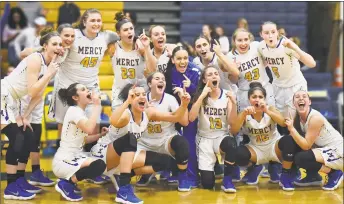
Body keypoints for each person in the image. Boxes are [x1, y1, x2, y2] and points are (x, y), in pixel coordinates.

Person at [90, 83, 190, 203]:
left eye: (143, 94)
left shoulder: (148, 113)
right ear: (130, 99)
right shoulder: (126, 114)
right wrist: (127, 101)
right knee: (130, 139)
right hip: (104, 155)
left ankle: (122, 176)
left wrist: (184, 104)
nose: (142, 97)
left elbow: (175, 117)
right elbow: (114, 120)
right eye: (137, 95)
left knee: (165, 161)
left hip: (125, 155)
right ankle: (124, 190)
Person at [47, 8, 119, 152]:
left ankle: (92, 161)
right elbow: (52, 42)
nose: (96, 23)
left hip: (90, 86)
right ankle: (64, 158)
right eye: (92, 20)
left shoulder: (106, 36)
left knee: (94, 123)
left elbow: (124, 35)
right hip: (67, 86)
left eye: (99, 20)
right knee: (65, 124)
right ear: (84, 21)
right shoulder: (73, 35)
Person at [1, 31, 62, 200]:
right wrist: (49, 73)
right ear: (45, 46)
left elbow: (38, 95)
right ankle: (10, 186)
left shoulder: (52, 65)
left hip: (15, 101)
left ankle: (20, 179)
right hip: (4, 95)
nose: (58, 47)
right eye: (54, 44)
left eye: (60, 44)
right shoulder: (36, 59)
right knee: (17, 138)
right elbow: (31, 90)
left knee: (28, 136)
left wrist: (25, 116)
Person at [258, 21, 319, 185]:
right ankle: (281, 166)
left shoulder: (286, 45)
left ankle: (312, 171)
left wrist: (296, 47)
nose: (270, 35)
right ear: (261, 35)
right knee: (280, 127)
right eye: (266, 33)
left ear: (277, 32)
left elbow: (312, 63)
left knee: (296, 129)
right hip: (278, 88)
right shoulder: (261, 48)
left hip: (296, 88)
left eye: (272, 32)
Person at [18, 24, 76, 188]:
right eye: (65, 36)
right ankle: (16, 179)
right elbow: (23, 53)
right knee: (23, 136)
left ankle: (35, 171)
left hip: (38, 92)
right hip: (26, 91)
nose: (68, 40)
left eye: (71, 37)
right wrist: (36, 54)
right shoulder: (44, 48)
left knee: (35, 132)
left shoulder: (64, 50)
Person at [227, 28, 280, 181]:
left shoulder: (258, 46)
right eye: (239, 40)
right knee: (247, 132)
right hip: (245, 94)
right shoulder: (230, 56)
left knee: (271, 126)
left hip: (264, 91)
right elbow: (231, 79)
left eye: (245, 39)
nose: (243, 43)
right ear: (234, 42)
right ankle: (254, 166)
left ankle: (274, 165)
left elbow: (272, 50)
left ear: (250, 39)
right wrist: (232, 70)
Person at [230, 82, 298, 190]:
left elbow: (283, 123)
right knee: (237, 153)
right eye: (254, 97)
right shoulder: (244, 113)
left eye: (260, 97)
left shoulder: (270, 109)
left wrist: (267, 111)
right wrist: (243, 115)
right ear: (249, 99)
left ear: (265, 99)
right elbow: (233, 131)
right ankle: (255, 168)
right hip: (256, 149)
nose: (257, 99)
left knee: (289, 141)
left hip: (273, 146)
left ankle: (285, 175)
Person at [135, 72, 192, 191]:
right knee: (128, 164)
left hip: (165, 140)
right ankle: (146, 173)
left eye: (163, 79)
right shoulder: (141, 98)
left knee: (181, 143)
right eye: (157, 78)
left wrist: (183, 103)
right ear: (150, 84)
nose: (161, 81)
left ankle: (182, 176)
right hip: (144, 143)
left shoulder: (170, 99)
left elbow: (184, 122)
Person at [53, 83, 108, 201]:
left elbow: (83, 140)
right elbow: (88, 128)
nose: (88, 91)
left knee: (101, 163)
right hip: (64, 160)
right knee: (99, 165)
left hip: (74, 157)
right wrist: (97, 106)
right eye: (83, 89)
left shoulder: (79, 112)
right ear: (75, 97)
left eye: (87, 88)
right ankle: (67, 183)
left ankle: (69, 181)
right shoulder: (74, 111)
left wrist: (100, 135)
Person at [189, 66, 237, 192]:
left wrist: (234, 103)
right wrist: (201, 96)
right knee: (208, 184)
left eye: (216, 73)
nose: (214, 76)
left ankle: (227, 180)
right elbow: (191, 118)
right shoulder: (200, 96)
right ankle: (212, 168)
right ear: (204, 80)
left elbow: (232, 122)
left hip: (221, 136)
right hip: (204, 138)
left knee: (231, 143)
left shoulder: (227, 95)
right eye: (210, 74)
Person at [286, 90, 343, 191]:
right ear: (294, 103)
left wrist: (291, 129)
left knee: (302, 157)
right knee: (294, 147)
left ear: (309, 102)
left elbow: (306, 146)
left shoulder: (315, 118)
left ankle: (334, 173)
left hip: (338, 151)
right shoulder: (297, 118)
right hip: (323, 150)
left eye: (304, 96)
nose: (301, 98)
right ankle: (312, 176)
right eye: (297, 97)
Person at [165, 46, 202, 186]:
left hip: (191, 111)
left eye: (185, 58)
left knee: (189, 142)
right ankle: (176, 172)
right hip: (174, 110)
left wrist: (191, 87)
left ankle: (192, 176)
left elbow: (201, 95)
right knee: (173, 140)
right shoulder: (168, 73)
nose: (182, 61)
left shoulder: (195, 72)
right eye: (179, 58)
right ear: (173, 60)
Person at [109, 12, 156, 111]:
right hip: (120, 92)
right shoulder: (113, 46)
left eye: (131, 29)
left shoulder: (141, 46)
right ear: (118, 33)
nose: (130, 32)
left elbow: (152, 70)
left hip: (140, 92)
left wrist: (147, 48)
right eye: (125, 30)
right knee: (119, 123)